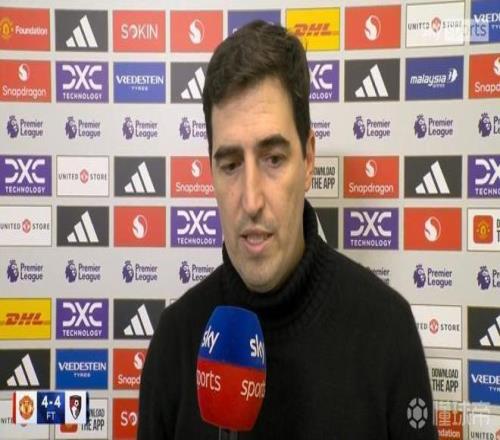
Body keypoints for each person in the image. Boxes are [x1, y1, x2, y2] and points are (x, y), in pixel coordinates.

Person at [138, 21, 438, 439]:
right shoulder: (176, 339)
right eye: (230, 165)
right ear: (211, 172)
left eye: (273, 159)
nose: (251, 200)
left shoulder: (387, 330)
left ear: (309, 160)